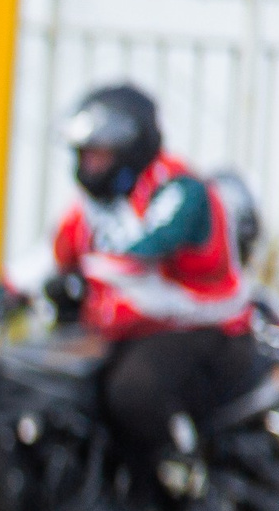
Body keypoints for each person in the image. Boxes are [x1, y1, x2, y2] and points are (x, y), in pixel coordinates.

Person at [30, 84, 265, 487]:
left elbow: (143, 251)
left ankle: (195, 483)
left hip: (206, 331)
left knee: (132, 390)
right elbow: (43, 259)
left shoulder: (181, 190)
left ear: (129, 150)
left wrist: (81, 277)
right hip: (137, 332)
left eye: (97, 154)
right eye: (84, 155)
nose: (87, 165)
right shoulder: (93, 206)